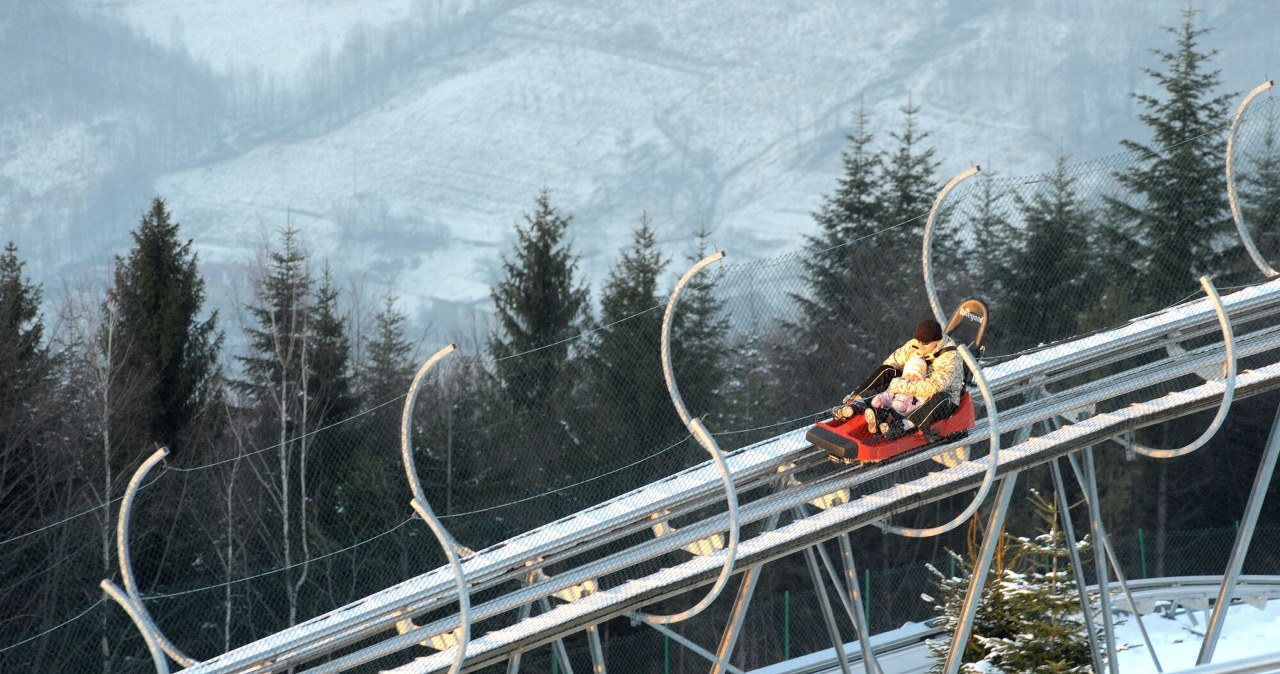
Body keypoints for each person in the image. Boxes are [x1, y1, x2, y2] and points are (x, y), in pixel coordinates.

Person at [835, 318, 964, 441]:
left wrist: (900, 386)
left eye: (924, 343)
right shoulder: (917, 343)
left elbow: (935, 386)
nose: (920, 346)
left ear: (937, 340)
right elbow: (894, 360)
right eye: (918, 341)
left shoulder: (949, 356)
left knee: (941, 397)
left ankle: (903, 426)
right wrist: (893, 383)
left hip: (937, 398)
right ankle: (858, 399)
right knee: (888, 370)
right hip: (908, 387)